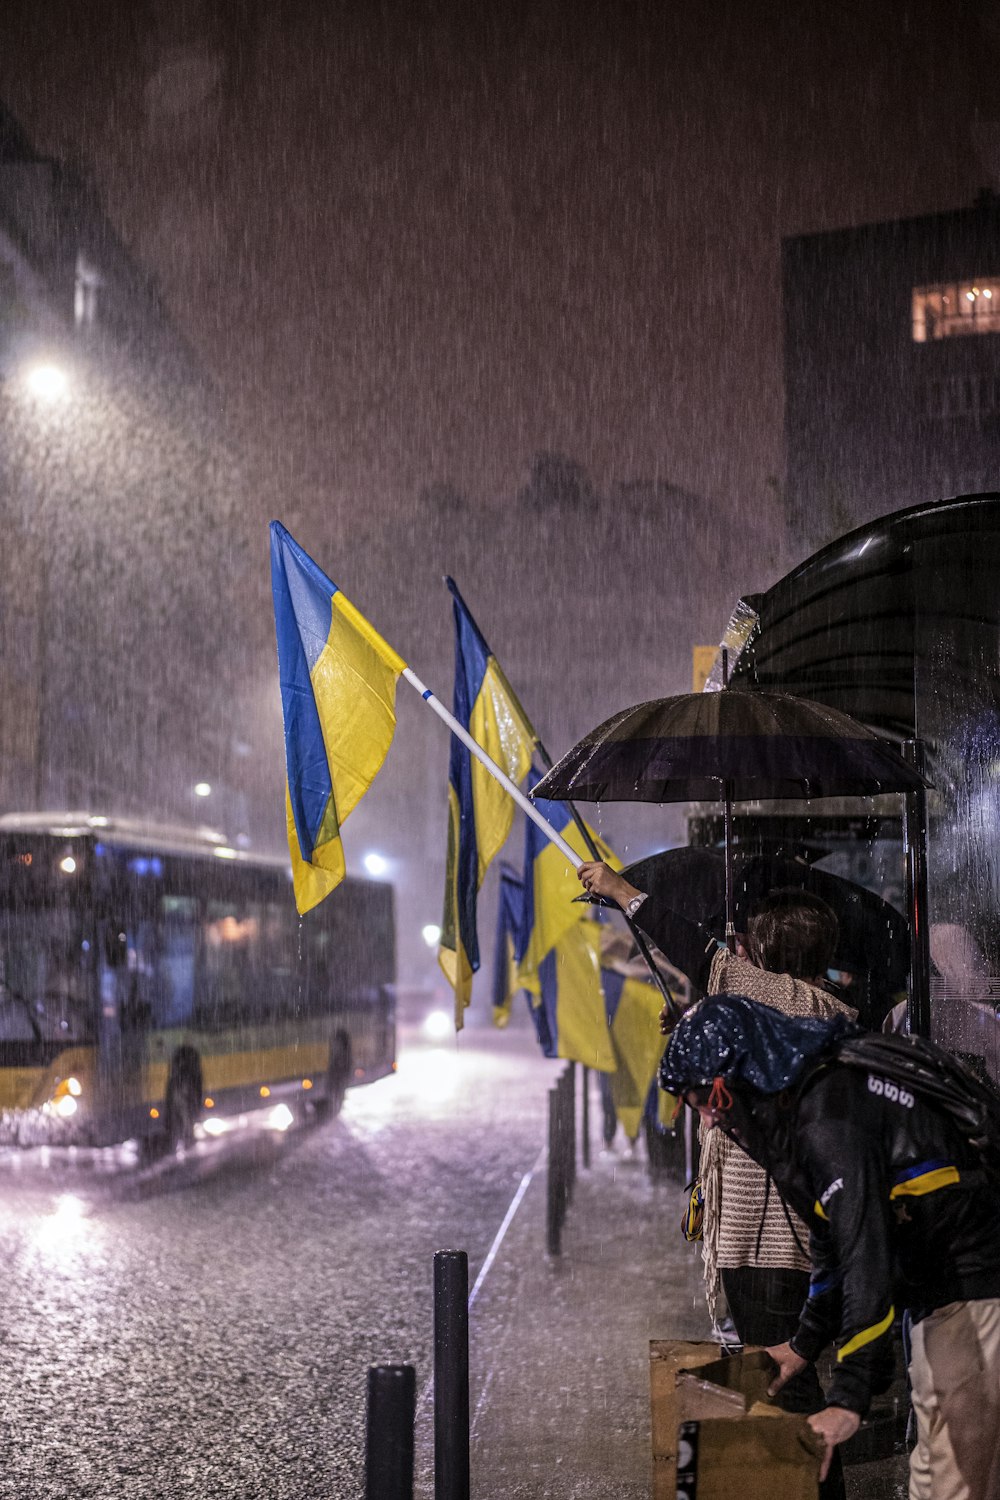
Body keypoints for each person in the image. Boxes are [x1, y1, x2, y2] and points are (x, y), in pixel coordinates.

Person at [579, 862, 854, 1498]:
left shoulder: (801, 1004)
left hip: (774, 1242)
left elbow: (698, 955)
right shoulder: (799, 1019)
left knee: (785, 1388)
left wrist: (622, 894)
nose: (738, 956)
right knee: (780, 1383)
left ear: (768, 957)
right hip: (768, 1240)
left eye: (750, 950)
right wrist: (700, 1034)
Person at [659, 993, 1000, 1496]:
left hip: (974, 1286)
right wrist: (804, 1343)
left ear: (729, 1080)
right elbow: (832, 1241)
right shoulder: (799, 1104)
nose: (707, 1120)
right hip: (940, 1289)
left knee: (956, 1485)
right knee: (933, 1474)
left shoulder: (827, 1117)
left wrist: (848, 1398)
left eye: (703, 1102)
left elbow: (866, 1254)